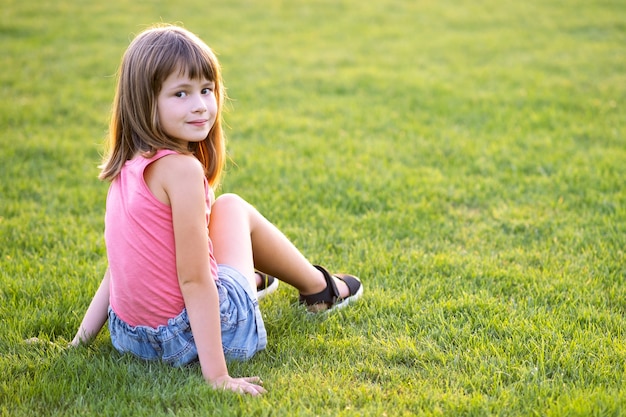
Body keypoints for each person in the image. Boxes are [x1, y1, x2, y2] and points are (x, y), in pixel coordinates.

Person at [70, 24, 363, 396]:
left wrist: (80, 342)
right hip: (192, 338)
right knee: (231, 207)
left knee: (216, 217)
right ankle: (320, 288)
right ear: (144, 102)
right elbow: (193, 280)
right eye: (181, 93)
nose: (200, 105)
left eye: (206, 90)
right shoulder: (183, 170)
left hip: (131, 338)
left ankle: (257, 280)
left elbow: (120, 267)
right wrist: (218, 377)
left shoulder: (126, 165)